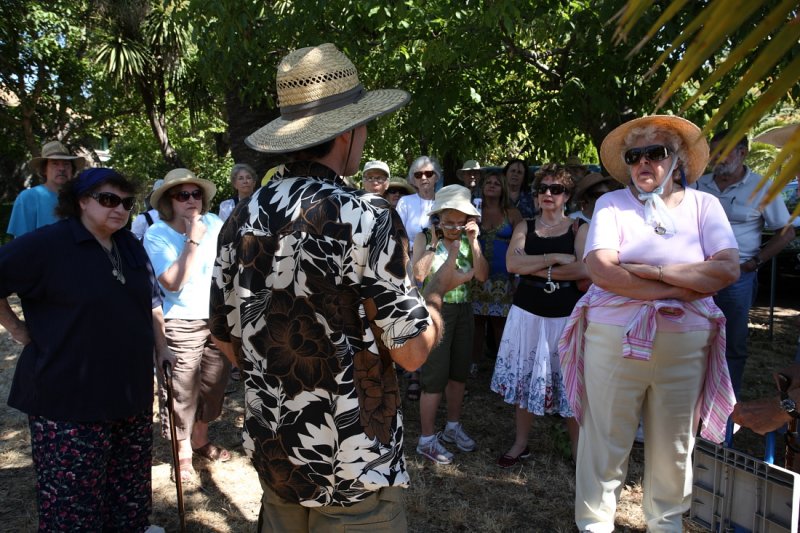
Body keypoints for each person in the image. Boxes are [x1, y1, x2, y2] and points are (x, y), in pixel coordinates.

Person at [208, 43, 471, 532]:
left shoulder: (240, 217)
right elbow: (412, 352)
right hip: (353, 461)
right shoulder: (366, 216)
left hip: (276, 450)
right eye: (364, 127)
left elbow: (224, 334)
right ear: (347, 132)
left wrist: (280, 378)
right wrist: (433, 292)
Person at [559, 115, 740, 532]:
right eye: (634, 155)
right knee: (603, 442)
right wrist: (685, 282)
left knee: (675, 448)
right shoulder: (611, 205)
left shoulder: (704, 206)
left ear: (676, 160)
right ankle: (594, 526)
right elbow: (602, 270)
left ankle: (666, 525)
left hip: (685, 345)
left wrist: (654, 273)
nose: (644, 162)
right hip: (614, 341)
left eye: (655, 153)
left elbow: (727, 269)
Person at [0, 167, 173, 531]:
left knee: (128, 496)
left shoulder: (128, 243)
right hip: (67, 402)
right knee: (73, 507)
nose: (120, 209)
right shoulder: (47, 244)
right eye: (108, 199)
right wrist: (16, 329)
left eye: (126, 202)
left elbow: (151, 301)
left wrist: (162, 348)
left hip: (130, 395)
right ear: (80, 201)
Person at [490, 163, 588, 468]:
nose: (548, 194)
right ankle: (521, 444)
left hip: (566, 315)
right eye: (543, 188)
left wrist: (536, 265)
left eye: (556, 189)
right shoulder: (525, 227)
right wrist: (556, 259)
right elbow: (512, 265)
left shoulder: (579, 228)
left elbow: (583, 269)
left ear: (567, 195)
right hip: (527, 313)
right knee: (524, 379)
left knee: (571, 384)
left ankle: (578, 451)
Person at [143, 168, 230, 484]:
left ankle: (200, 439)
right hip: (180, 321)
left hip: (217, 318)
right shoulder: (157, 234)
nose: (192, 200)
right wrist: (192, 238)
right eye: (183, 195)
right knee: (181, 391)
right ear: (169, 201)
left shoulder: (215, 224)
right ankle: (182, 456)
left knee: (213, 384)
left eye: (196, 194)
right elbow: (173, 283)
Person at [694, 130, 796, 397]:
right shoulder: (697, 184)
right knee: (692, 338)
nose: (718, 158)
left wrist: (754, 263)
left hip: (737, 277)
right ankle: (694, 399)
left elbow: (786, 232)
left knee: (732, 344)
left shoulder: (763, 187)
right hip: (695, 274)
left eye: (724, 151)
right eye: (714, 151)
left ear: (743, 153)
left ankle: (725, 406)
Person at [412, 184, 488, 464]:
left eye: (461, 222)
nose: (454, 228)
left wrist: (474, 242)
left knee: (458, 375)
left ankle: (452, 428)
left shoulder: (469, 240)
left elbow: (481, 276)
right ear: (438, 218)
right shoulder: (424, 238)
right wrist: (434, 242)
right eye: (449, 222)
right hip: (434, 312)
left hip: (463, 310)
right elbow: (418, 276)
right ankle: (426, 439)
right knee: (434, 379)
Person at [469, 171, 523, 377]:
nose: (492, 185)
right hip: (477, 273)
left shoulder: (512, 213)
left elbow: (522, 245)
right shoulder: (474, 211)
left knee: (501, 322)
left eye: (496, 183)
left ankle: (503, 368)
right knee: (476, 322)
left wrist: (518, 277)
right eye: (488, 182)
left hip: (504, 276)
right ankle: (473, 363)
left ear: (503, 189)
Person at [6, 140, 85, 237]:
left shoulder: (81, 198)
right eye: (55, 163)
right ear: (44, 169)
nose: (62, 168)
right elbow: (21, 244)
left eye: (66, 164)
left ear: (72, 169)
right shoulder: (28, 198)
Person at [396, 156, 442, 250]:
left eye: (429, 174)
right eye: (418, 175)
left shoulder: (444, 202)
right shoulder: (405, 202)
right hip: (411, 259)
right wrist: (419, 248)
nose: (423, 177)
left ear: (436, 177)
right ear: (413, 180)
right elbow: (397, 235)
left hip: (439, 258)